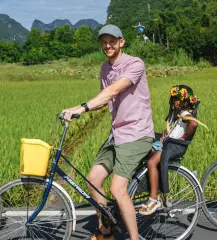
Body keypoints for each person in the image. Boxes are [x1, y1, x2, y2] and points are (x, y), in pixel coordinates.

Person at [60, 24, 152, 240]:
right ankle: (106, 230)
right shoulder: (104, 68)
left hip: (136, 133)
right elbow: (105, 99)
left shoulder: (135, 64)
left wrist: (82, 108)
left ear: (121, 42)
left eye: (112, 41)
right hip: (117, 133)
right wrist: (77, 110)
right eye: (104, 42)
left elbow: (113, 90)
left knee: (117, 189)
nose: (108, 45)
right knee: (93, 180)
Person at [139, 85, 201, 215]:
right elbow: (173, 128)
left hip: (173, 146)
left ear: (186, 101)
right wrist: (164, 134)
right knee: (145, 147)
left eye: (179, 99)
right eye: (174, 99)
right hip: (167, 143)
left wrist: (184, 137)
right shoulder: (176, 112)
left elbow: (194, 123)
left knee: (151, 162)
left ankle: (153, 198)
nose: (175, 102)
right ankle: (153, 188)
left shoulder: (184, 113)